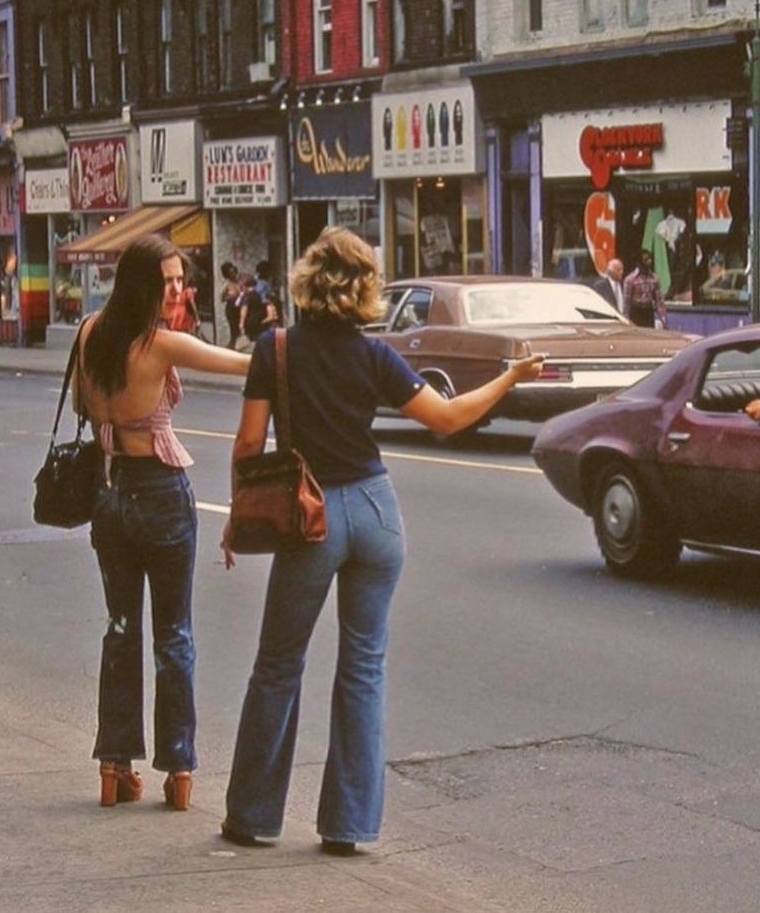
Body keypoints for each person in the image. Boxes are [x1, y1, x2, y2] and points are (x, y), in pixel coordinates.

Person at [219, 227, 544, 855]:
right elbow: (448, 418)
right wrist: (508, 378)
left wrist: (238, 516)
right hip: (376, 510)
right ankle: (349, 827)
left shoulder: (275, 349)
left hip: (311, 517)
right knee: (364, 670)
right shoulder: (375, 357)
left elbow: (247, 444)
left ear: (307, 279)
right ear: (366, 289)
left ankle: (253, 817)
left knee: (278, 666)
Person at [75, 234, 251, 811]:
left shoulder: (89, 334)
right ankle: (178, 771)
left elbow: (83, 406)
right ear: (144, 285)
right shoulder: (160, 344)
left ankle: (113, 765)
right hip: (160, 491)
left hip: (111, 494)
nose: (178, 289)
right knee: (174, 632)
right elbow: (240, 364)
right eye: (169, 282)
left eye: (181, 280)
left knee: (120, 627)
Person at [622, 249, 668, 328]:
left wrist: (663, 318)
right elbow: (626, 303)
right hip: (636, 312)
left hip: (648, 312)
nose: (649, 262)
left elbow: (659, 301)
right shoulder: (630, 279)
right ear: (640, 262)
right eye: (646, 260)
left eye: (650, 259)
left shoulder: (654, 278)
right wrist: (626, 320)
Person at [238, 275, 277, 346]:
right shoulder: (258, 295)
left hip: (249, 322)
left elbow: (244, 309)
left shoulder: (247, 296)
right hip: (259, 320)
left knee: (250, 340)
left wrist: (241, 323)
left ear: (244, 286)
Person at [220, 262, 242, 349]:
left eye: (234, 272)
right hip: (231, 309)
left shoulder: (239, 282)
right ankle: (232, 347)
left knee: (239, 329)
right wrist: (231, 296)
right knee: (234, 329)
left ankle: (237, 346)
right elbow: (222, 299)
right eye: (231, 273)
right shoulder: (227, 285)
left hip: (240, 308)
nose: (233, 274)